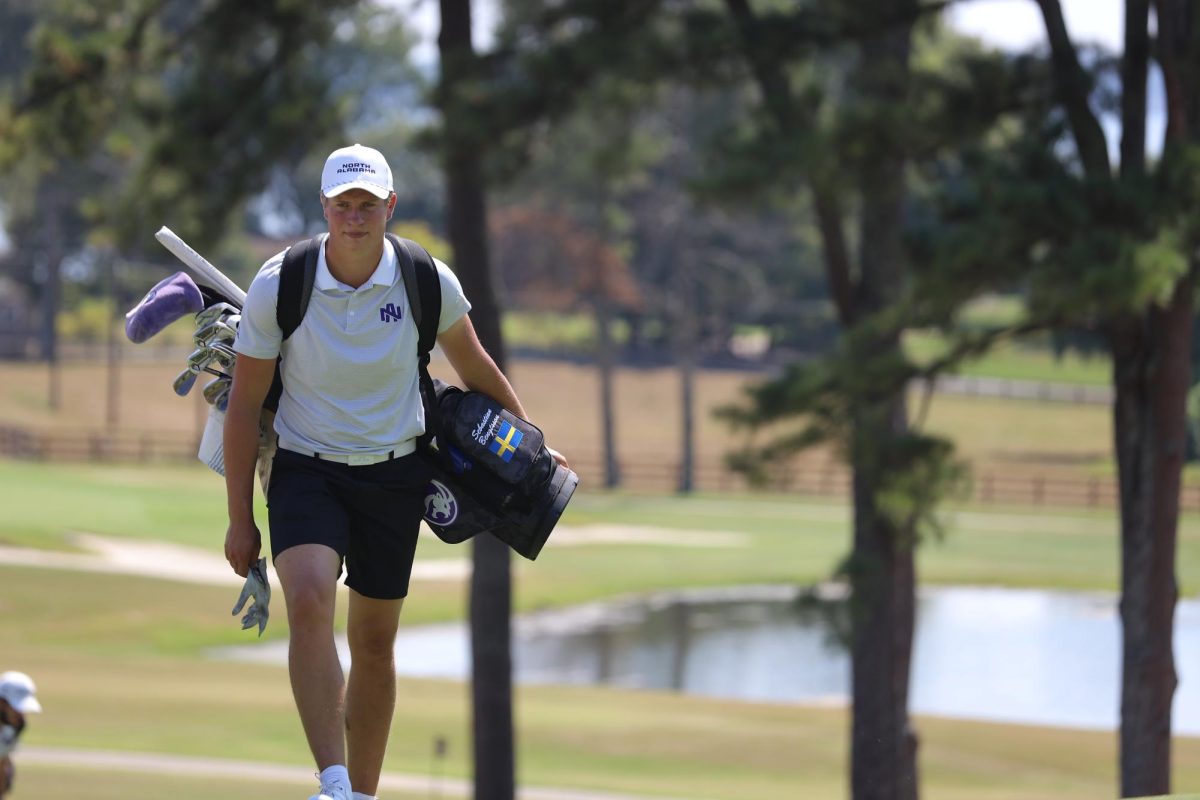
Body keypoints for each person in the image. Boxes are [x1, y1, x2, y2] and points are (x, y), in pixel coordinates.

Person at [222, 143, 567, 800]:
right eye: (344, 205)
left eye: (368, 205)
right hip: (306, 469)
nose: (356, 217)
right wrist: (240, 519)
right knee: (310, 600)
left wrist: (535, 450)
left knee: (375, 644)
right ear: (324, 207)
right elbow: (243, 409)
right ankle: (331, 782)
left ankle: (361, 793)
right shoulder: (281, 283)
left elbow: (476, 370)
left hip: (394, 476)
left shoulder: (424, 279)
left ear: (390, 206)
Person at [0, 671, 42, 799]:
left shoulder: (15, 727)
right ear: (2, 702)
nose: (21, 714)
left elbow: (3, 761)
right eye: (17, 708)